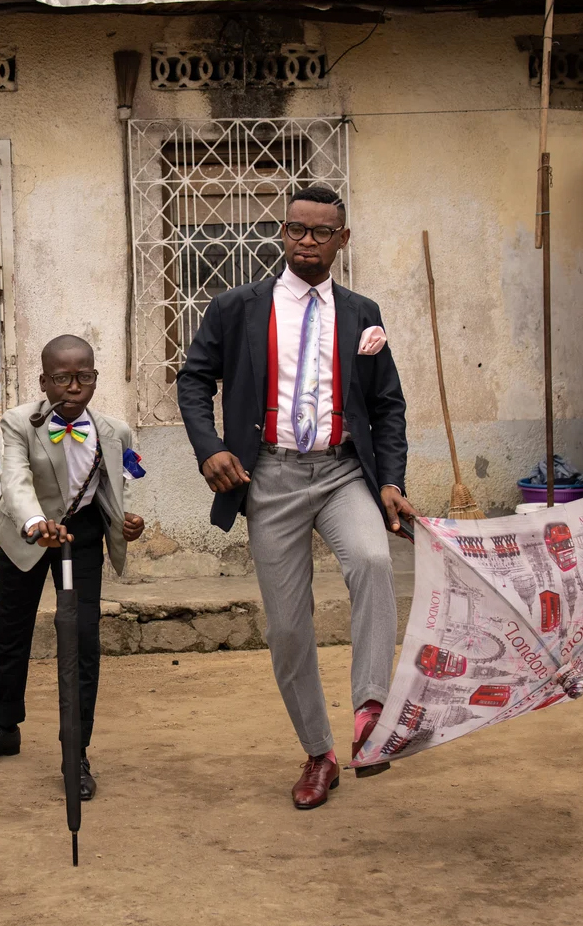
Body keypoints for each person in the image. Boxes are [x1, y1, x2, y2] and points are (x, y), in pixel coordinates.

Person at [176, 184, 416, 810]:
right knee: (288, 627)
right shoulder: (238, 307)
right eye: (296, 230)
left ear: (342, 239)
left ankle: (371, 712)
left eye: (320, 232)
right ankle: (319, 752)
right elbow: (194, 380)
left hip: (342, 473)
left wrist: (390, 481)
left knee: (371, 560)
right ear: (283, 234)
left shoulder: (364, 313)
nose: (306, 241)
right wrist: (210, 449)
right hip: (271, 478)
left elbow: (388, 406)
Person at [0, 335, 145, 800]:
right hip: (28, 535)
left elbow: (111, 488)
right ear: (44, 380)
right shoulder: (19, 422)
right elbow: (14, 479)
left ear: (95, 378)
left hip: (80, 540)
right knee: (11, 632)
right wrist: (37, 524)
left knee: (81, 642)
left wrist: (127, 522)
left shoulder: (115, 431)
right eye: (62, 378)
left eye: (84, 377)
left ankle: (75, 751)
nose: (73, 387)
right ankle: (5, 727)